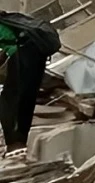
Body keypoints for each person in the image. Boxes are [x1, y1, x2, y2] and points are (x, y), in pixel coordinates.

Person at [0, 12, 60, 152]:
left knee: (10, 101)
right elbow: (7, 45)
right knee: (25, 97)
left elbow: (9, 45)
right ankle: (19, 141)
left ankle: (15, 145)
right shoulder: (6, 21)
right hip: (32, 52)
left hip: (24, 53)